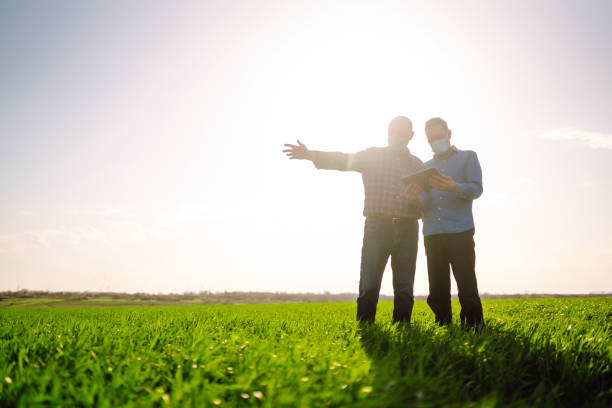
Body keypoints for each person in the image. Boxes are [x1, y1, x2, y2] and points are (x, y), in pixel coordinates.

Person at [283, 116, 423, 323]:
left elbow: (424, 204)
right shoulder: (373, 156)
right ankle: (366, 328)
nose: (396, 137)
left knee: (404, 286)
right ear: (387, 132)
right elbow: (343, 159)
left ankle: (403, 328)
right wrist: (312, 155)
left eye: (401, 134)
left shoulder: (418, 165)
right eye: (393, 132)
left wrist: (416, 199)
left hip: (408, 227)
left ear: (410, 136)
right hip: (378, 226)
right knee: (369, 283)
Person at [404, 117, 484, 328]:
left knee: (466, 284)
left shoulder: (468, 157)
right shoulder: (426, 167)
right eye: (431, 139)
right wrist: (415, 198)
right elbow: (427, 201)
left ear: (449, 133)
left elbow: (476, 189)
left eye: (439, 136)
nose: (436, 141)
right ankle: (443, 325)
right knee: (437, 288)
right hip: (433, 233)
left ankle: (474, 327)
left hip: (461, 231)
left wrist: (453, 187)